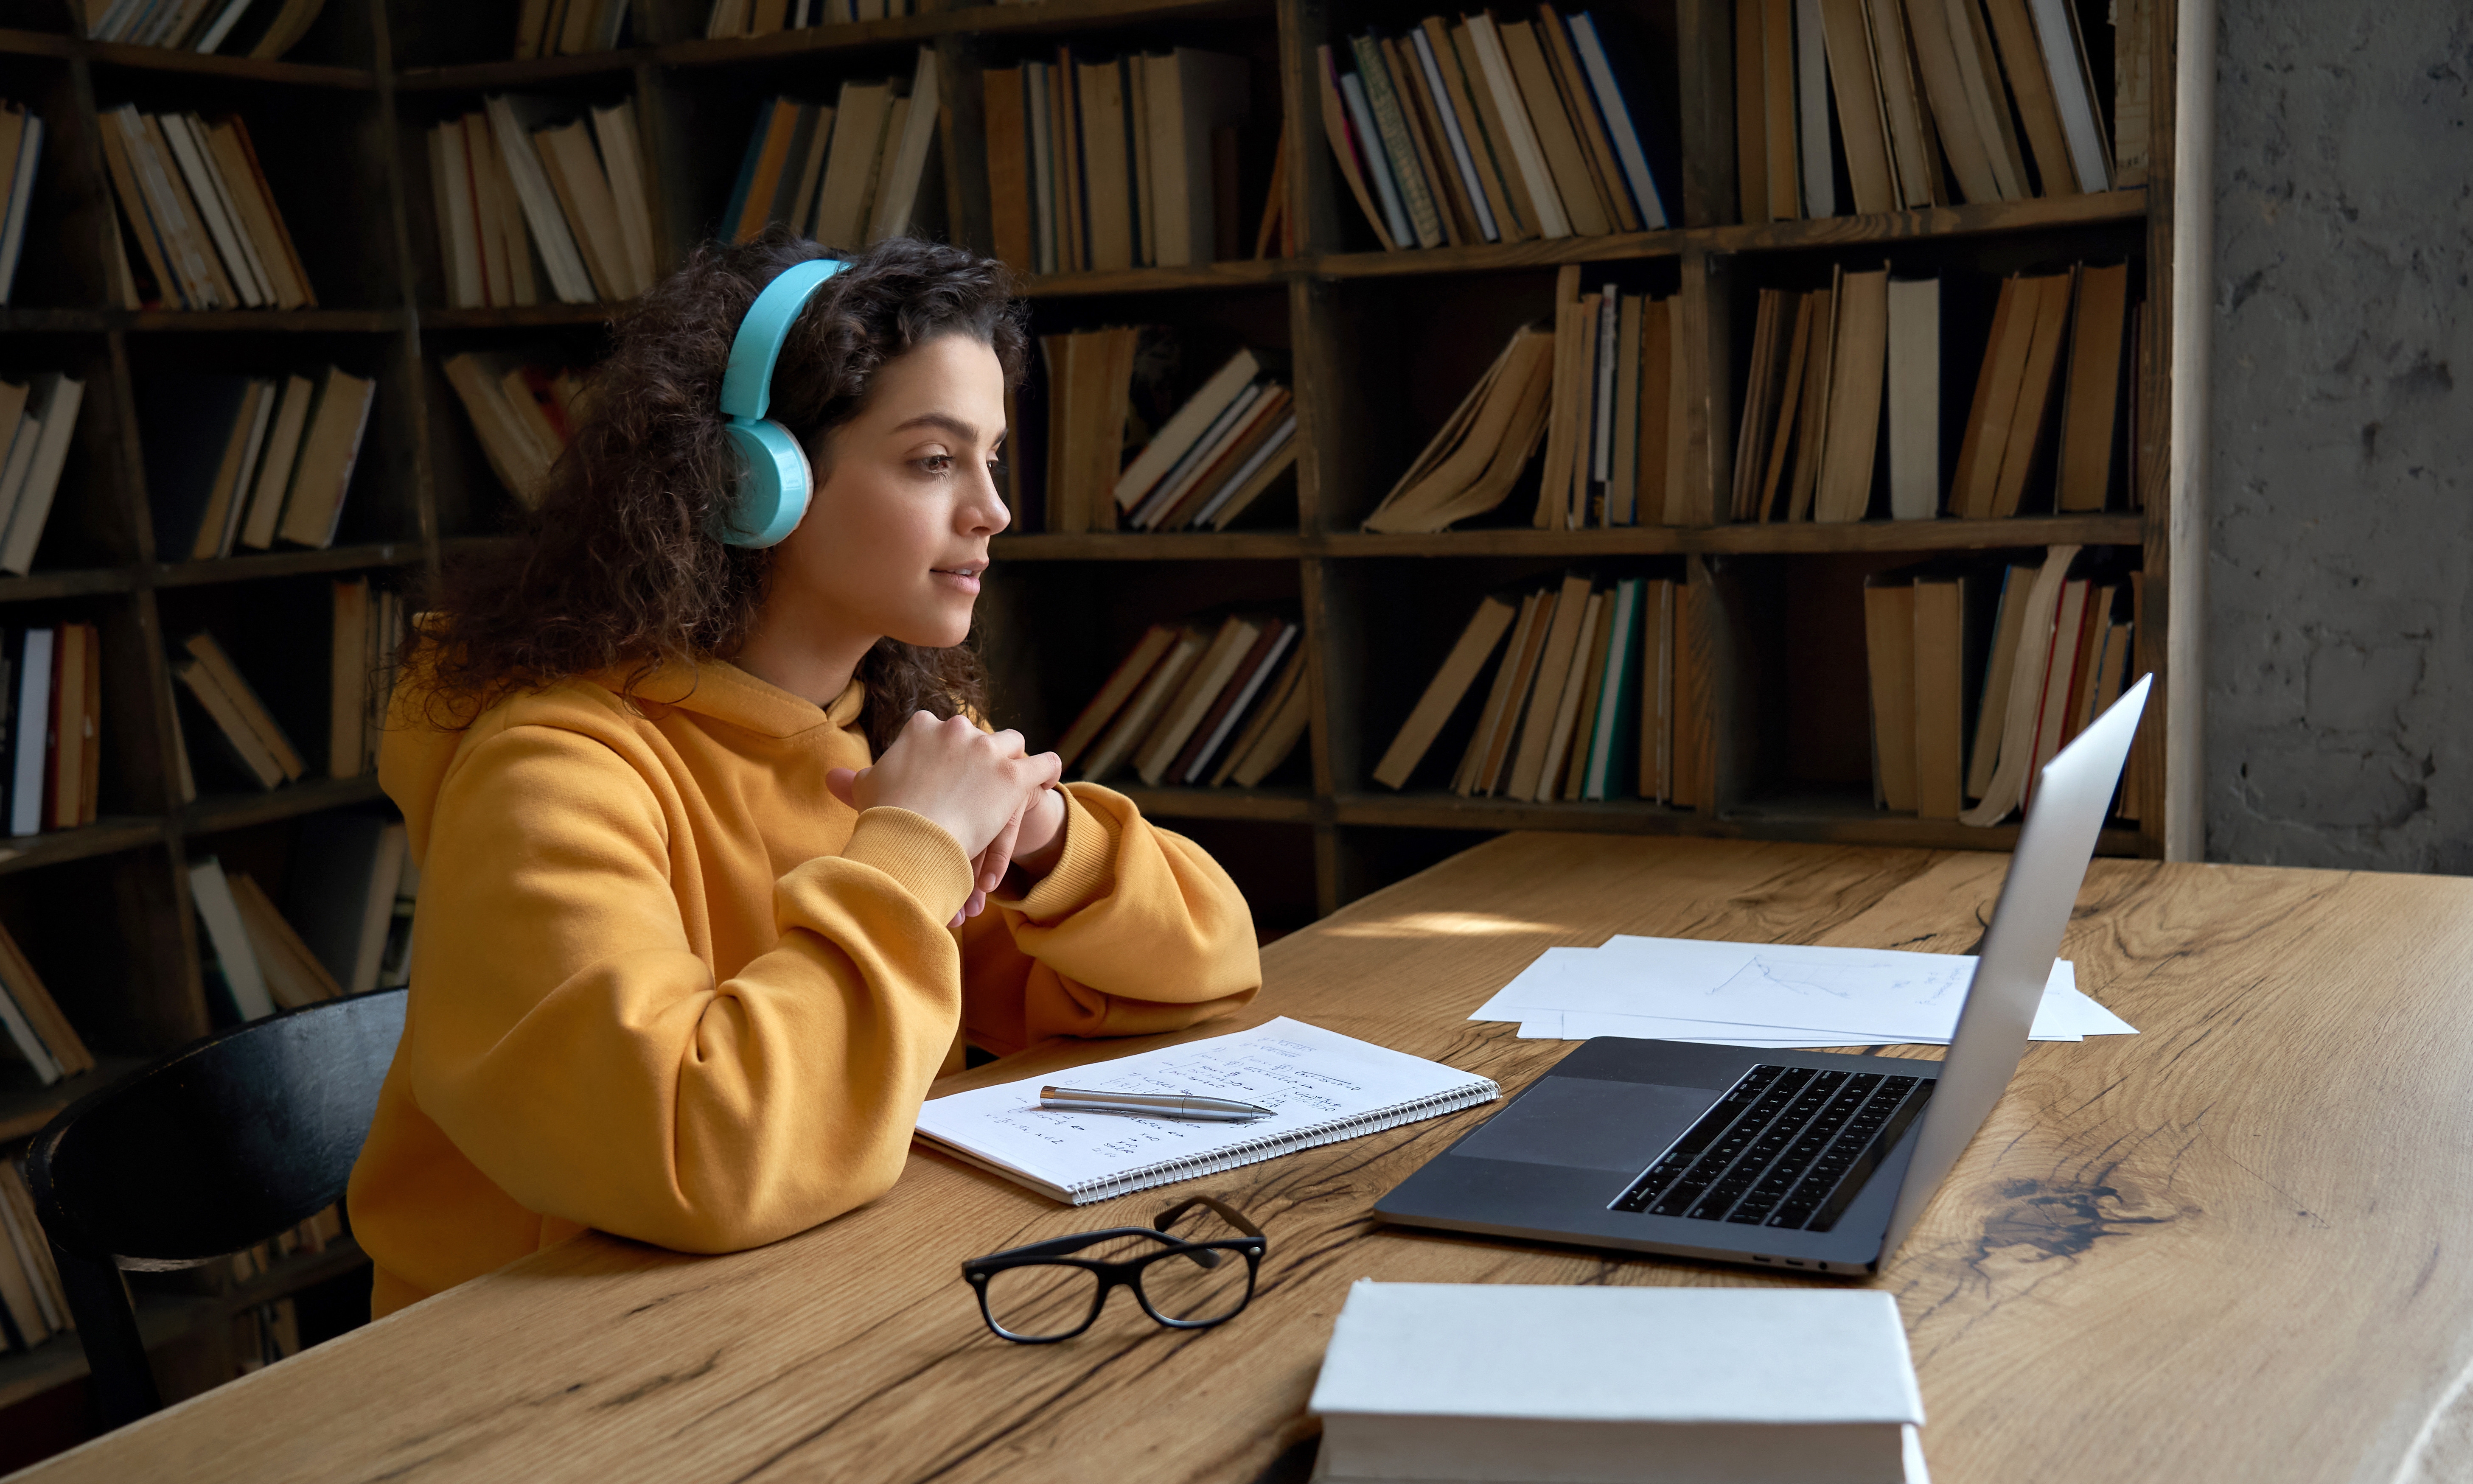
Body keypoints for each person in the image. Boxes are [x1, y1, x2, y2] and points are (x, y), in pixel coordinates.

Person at [345, 233, 1261, 1319]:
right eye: (933, 461)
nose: (993, 510)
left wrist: (1053, 839)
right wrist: (915, 854)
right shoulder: (550, 771)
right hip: (543, 1368)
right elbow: (700, 1150)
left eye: (993, 458)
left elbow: (1208, 966)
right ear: (754, 482)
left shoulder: (892, 730)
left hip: (803, 1293)